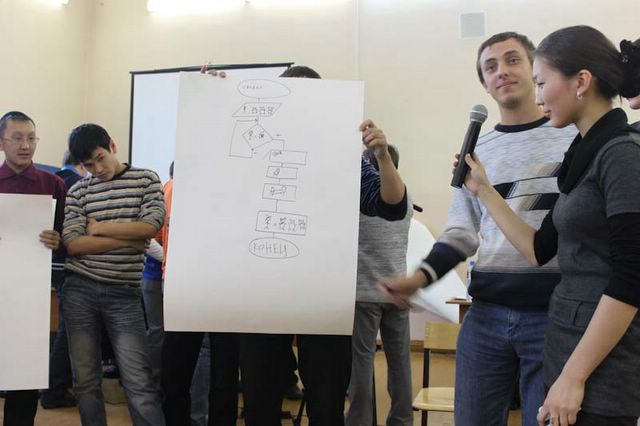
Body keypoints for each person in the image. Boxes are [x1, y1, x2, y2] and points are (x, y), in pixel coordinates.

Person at [382, 32, 576, 426]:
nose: (502, 71)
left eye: (512, 60)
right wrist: (418, 278)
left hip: (553, 311)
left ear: (535, 69)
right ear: (484, 84)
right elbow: (461, 232)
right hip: (486, 312)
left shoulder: (572, 138)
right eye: (490, 67)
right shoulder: (477, 152)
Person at [205, 64, 407, 426]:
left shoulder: (343, 156)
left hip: (324, 293)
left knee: (327, 405)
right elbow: (212, 167)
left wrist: (382, 156)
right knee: (259, 404)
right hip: (261, 292)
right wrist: (215, 99)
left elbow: (391, 206)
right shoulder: (253, 148)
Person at [459, 26, 640, 425]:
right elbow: (539, 249)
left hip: (599, 365)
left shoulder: (621, 154)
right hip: (565, 346)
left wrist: (573, 378)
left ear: (581, 82)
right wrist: (484, 190)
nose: (538, 96)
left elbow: (631, 276)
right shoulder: (583, 152)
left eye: (542, 83)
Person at [63, 123, 166, 426]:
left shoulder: (146, 179)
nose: (98, 169)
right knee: (85, 381)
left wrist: (98, 228)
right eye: (88, 165)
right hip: (79, 289)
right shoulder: (79, 190)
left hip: (124, 293)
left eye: (100, 158)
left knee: (139, 381)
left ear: (112, 145)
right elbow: (73, 244)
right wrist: (129, 240)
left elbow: (150, 227)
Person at [0, 111, 65, 425]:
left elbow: (68, 236)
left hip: (31, 294)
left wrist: (58, 239)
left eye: (31, 138)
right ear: (1, 142)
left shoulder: (53, 184)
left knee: (23, 374)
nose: (25, 145)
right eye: (17, 138)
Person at [346, 145, 414, 426]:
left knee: (361, 364)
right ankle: (402, 420)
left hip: (363, 293)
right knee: (400, 363)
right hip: (398, 292)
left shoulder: (361, 198)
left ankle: (359, 421)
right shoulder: (406, 197)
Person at [40, 151, 88, 410]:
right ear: (82, 164)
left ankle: (53, 386)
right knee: (69, 328)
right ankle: (55, 388)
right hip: (67, 264)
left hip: (47, 264)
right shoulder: (76, 184)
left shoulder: (53, 179)